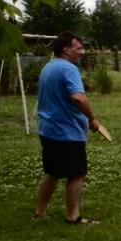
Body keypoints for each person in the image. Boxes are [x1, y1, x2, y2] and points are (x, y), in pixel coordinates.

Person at [34, 31, 101, 224]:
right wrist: (92, 118)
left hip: (48, 130)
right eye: (78, 48)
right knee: (76, 174)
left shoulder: (48, 66)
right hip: (67, 132)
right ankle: (73, 216)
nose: (82, 52)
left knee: (53, 173)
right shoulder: (69, 68)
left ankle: (40, 211)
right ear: (66, 49)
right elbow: (78, 97)